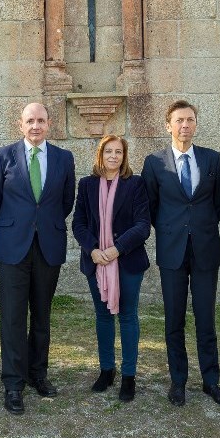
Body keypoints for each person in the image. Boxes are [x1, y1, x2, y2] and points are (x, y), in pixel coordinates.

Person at [141, 100, 220, 408]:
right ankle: (178, 381)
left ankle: (211, 381)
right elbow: (151, 206)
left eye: (190, 120)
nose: (185, 125)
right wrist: (174, 230)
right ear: (168, 125)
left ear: (196, 124)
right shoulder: (154, 162)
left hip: (205, 249)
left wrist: (198, 228)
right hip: (172, 251)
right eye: (179, 120)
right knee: (174, 319)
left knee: (206, 319)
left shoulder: (212, 159)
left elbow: (217, 204)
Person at [0, 102, 76, 415]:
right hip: (13, 247)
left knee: (41, 314)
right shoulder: (3, 155)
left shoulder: (64, 158)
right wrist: (15, 226)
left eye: (40, 120)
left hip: (48, 245)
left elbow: (66, 201)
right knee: (12, 316)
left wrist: (42, 224)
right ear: (20, 124)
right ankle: (13, 383)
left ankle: (38, 373)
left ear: (49, 124)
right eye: (30, 121)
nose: (35, 126)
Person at [71, 135, 150, 402]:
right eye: (108, 151)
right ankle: (107, 370)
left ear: (124, 156)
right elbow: (79, 223)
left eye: (118, 152)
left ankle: (128, 375)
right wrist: (93, 250)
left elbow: (143, 225)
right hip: (96, 261)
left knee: (127, 316)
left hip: (127, 261)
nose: (113, 156)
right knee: (103, 316)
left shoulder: (135, 184)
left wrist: (117, 248)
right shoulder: (87, 185)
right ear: (100, 155)